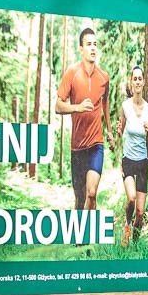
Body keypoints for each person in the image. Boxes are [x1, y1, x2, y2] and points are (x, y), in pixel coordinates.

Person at [54, 27, 110, 210]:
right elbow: (58, 105)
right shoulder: (72, 73)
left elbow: (105, 102)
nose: (93, 48)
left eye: (95, 44)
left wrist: (108, 130)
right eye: (88, 44)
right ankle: (80, 237)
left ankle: (84, 235)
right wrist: (77, 107)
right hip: (77, 146)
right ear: (81, 49)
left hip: (96, 145)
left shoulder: (104, 77)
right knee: (79, 198)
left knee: (91, 193)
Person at [117, 65, 148, 243]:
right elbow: (120, 130)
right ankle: (127, 225)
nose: (138, 81)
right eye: (135, 79)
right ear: (131, 83)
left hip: (142, 164)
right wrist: (117, 131)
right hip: (128, 161)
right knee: (131, 198)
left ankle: (135, 244)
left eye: (140, 78)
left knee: (140, 212)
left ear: (143, 82)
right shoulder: (125, 106)